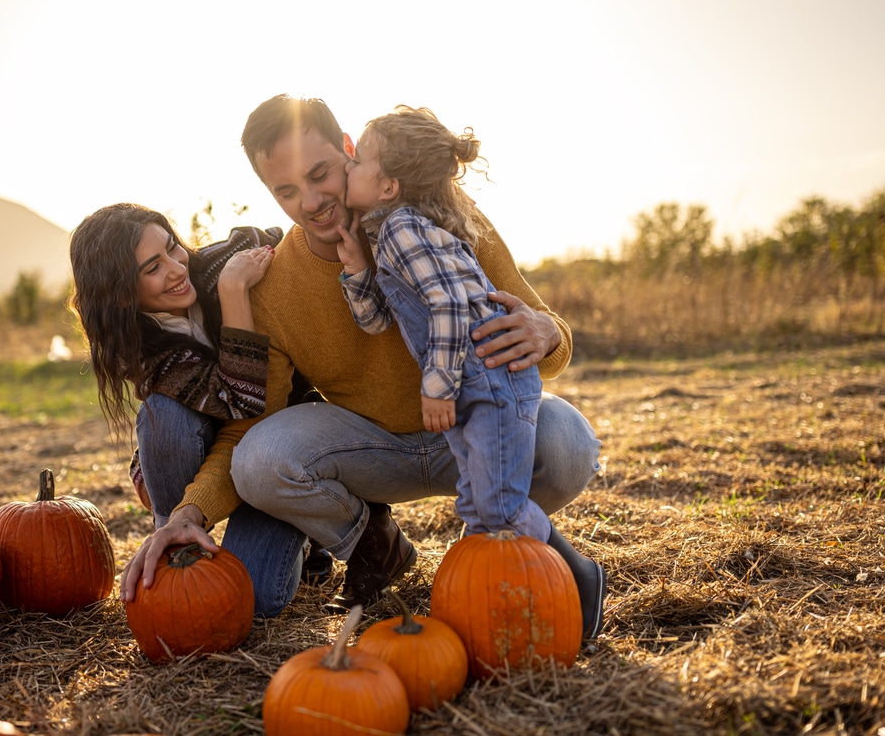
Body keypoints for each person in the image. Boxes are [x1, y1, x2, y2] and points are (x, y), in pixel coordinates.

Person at [216, 94, 607, 637]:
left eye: (321, 173)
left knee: (567, 442)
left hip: (469, 417)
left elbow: (546, 329)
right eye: (286, 191)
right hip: (376, 449)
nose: (311, 201)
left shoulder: (441, 214)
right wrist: (189, 511)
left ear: (350, 153)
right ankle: (373, 541)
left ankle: (499, 557)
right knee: (260, 460)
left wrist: (544, 334)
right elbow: (250, 423)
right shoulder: (280, 287)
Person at [67, 203, 327, 617]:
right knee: (163, 415)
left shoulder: (215, 264)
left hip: (278, 442)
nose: (176, 268)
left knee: (254, 600)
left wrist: (263, 260)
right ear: (120, 292)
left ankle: (310, 536)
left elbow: (289, 239)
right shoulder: (138, 348)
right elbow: (237, 403)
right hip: (222, 434)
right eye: (152, 267)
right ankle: (175, 547)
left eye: (173, 248)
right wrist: (234, 292)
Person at [333, 105, 554, 547]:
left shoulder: (402, 228)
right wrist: (358, 268)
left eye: (357, 162)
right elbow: (380, 322)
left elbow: (450, 304)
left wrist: (437, 388)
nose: (347, 166)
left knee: (500, 507)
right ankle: (493, 588)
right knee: (476, 503)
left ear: (388, 186)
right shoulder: (392, 232)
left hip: (486, 382)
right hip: (473, 385)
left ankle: (572, 578)